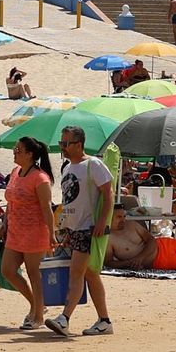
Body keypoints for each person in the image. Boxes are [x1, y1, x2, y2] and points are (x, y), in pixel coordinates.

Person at [45, 126, 114, 337]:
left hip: (87, 227)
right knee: (90, 274)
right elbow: (68, 201)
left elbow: (108, 194)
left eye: (66, 143)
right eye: (61, 143)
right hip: (73, 228)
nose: (62, 147)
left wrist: (102, 221)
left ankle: (65, 318)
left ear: (79, 144)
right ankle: (104, 321)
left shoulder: (93, 164)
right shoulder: (67, 168)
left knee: (77, 274)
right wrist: (64, 228)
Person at [2, 137, 56, 330]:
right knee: (7, 270)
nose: (14, 152)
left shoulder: (40, 178)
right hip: (15, 231)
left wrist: (51, 233)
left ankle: (38, 317)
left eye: (18, 149)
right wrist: (4, 223)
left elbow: (46, 207)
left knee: (35, 274)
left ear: (30, 154)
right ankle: (35, 304)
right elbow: (11, 202)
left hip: (35, 231)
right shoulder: (15, 172)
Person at [105, 202, 176, 271]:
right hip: (157, 260)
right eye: (119, 217)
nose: (123, 220)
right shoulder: (109, 239)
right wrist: (130, 263)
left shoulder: (132, 225)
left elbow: (151, 239)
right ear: (109, 217)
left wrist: (139, 258)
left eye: (124, 216)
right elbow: (109, 263)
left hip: (162, 244)